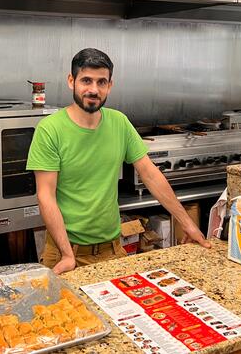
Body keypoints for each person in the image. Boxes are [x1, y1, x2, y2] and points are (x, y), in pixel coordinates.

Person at [26, 48, 211, 274]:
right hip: (67, 253)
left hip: (113, 250)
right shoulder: (50, 130)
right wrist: (66, 254)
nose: (94, 90)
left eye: (101, 82)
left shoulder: (119, 122)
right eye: (86, 80)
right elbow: (46, 196)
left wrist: (188, 223)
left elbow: (150, 174)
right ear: (71, 81)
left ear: (109, 86)